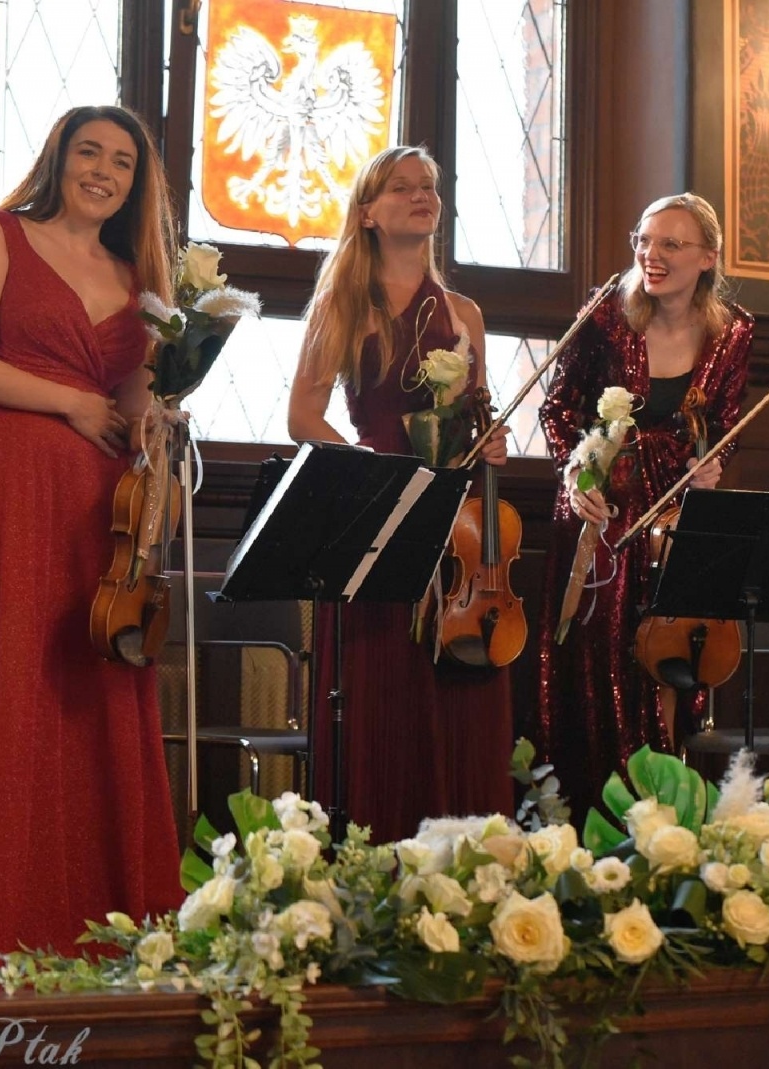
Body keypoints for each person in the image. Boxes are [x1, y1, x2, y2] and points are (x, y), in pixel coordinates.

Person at [0, 105, 184, 991]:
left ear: (138, 183)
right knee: (0, 683)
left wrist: (160, 413)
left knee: (86, 688)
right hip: (5, 482)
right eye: (89, 152)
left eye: (122, 162)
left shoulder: (140, 276)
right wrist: (65, 402)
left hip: (98, 506)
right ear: (58, 158)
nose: (103, 170)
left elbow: (131, 399)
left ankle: (90, 921)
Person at [288, 145, 512, 842]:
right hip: (376, 510)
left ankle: (463, 861)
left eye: (431, 187)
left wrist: (491, 440)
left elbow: (478, 412)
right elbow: (302, 415)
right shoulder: (344, 303)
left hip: (455, 524)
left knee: (453, 691)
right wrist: (366, 471)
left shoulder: (464, 312)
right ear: (369, 213)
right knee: (383, 691)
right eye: (404, 187)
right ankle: (378, 856)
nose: (423, 196)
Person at [534, 192, 754, 818]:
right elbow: (557, 411)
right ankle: (590, 817)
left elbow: (724, 425)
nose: (650, 255)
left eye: (670, 244)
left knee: (667, 662)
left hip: (677, 516)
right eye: (644, 240)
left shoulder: (734, 331)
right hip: (600, 510)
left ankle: (662, 816)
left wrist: (713, 465)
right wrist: (576, 475)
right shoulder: (606, 315)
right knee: (598, 660)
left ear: (708, 258)